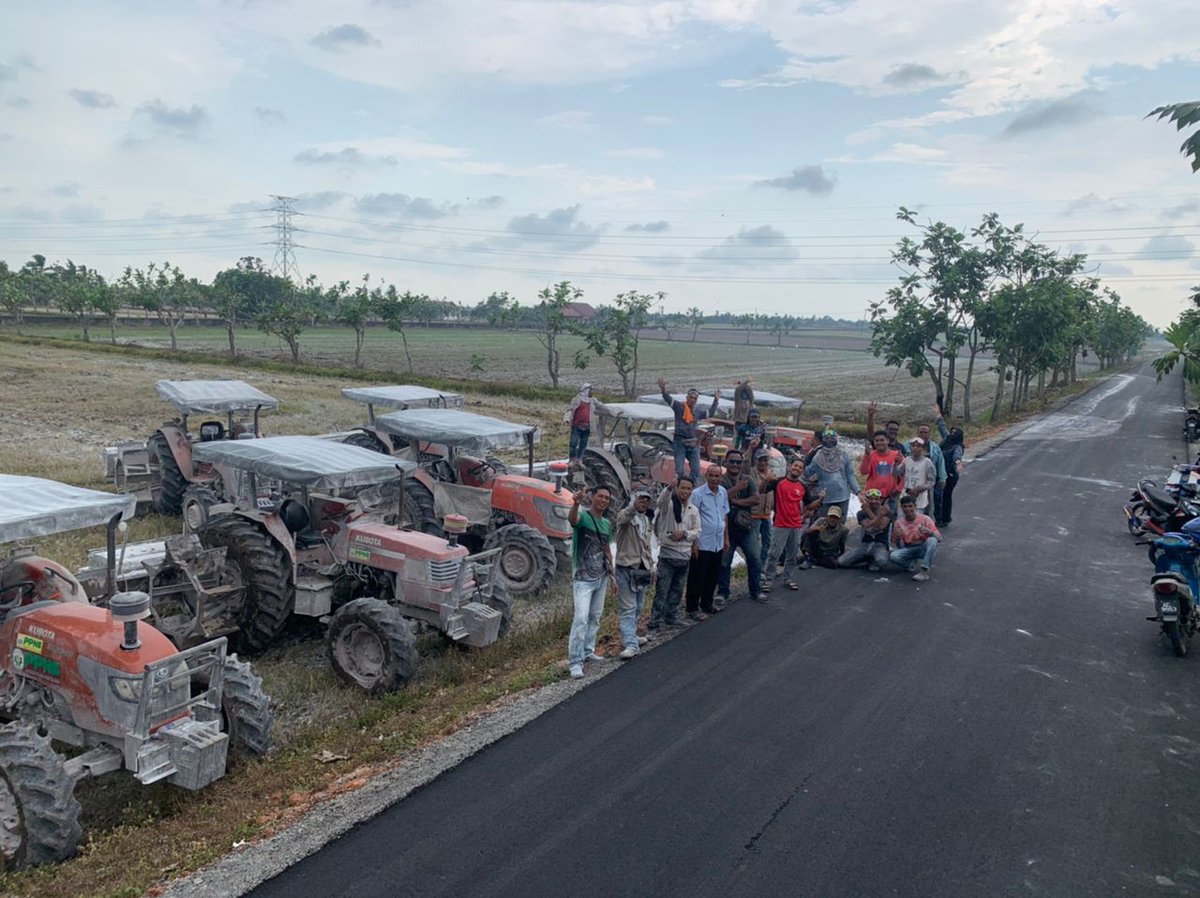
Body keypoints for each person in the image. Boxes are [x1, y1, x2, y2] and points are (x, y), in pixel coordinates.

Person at [567, 486, 615, 679]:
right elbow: (572, 520)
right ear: (593, 497)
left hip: (601, 576)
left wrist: (612, 575)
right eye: (600, 496)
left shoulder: (606, 524)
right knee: (580, 619)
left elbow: (607, 549)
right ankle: (575, 662)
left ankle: (588, 650)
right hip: (583, 579)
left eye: (607, 498)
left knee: (595, 616)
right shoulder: (584, 517)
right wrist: (575, 503)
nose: (603, 500)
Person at [758, 458, 822, 601]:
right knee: (774, 553)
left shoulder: (802, 486)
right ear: (790, 467)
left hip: (796, 525)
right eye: (795, 466)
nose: (797, 469)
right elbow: (761, 490)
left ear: (802, 471)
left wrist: (821, 499)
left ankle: (787, 579)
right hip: (780, 524)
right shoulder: (778, 482)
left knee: (792, 555)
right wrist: (766, 480)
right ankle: (768, 580)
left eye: (800, 467)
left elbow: (810, 505)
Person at [651, 478, 701, 632]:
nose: (685, 491)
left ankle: (671, 617)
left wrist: (684, 534)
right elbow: (661, 502)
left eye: (689, 488)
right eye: (683, 488)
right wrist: (668, 488)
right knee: (662, 590)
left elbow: (697, 530)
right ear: (677, 488)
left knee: (677, 590)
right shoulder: (669, 505)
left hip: (684, 556)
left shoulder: (693, 509)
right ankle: (655, 622)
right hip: (667, 555)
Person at [716, 449, 762, 606]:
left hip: (746, 527)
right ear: (726, 463)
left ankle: (755, 590)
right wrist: (737, 489)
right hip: (727, 528)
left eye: (738, 462)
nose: (735, 465)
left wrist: (735, 502)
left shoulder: (748, 479)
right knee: (724, 562)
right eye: (732, 462)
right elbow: (720, 497)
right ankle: (723, 592)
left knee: (754, 558)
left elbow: (756, 499)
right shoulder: (721, 481)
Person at [612, 490, 654, 659]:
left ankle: (632, 636)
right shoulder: (625, 517)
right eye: (640, 500)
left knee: (638, 606)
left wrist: (651, 566)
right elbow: (623, 517)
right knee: (628, 608)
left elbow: (647, 546)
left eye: (646, 500)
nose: (643, 503)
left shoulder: (645, 520)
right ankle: (630, 644)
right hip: (626, 567)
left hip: (642, 568)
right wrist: (632, 507)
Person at [685, 464, 729, 620]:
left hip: (717, 542)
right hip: (702, 542)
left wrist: (726, 538)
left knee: (712, 575)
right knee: (697, 576)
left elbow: (724, 516)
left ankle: (707, 604)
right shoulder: (697, 494)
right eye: (711, 475)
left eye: (717, 476)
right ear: (706, 476)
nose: (714, 479)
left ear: (720, 477)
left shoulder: (723, 492)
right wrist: (694, 543)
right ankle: (692, 608)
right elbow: (692, 519)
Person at [657, 377, 720, 483]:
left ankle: (692, 489)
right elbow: (668, 398)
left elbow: (710, 413)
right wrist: (663, 389)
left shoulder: (697, 412)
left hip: (692, 444)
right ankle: (679, 489)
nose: (692, 399)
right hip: (680, 442)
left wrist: (716, 400)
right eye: (690, 397)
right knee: (680, 471)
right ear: (687, 397)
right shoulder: (679, 407)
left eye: (695, 398)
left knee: (696, 470)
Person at [803, 429, 859, 519]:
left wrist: (858, 491)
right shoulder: (818, 457)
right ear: (823, 440)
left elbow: (850, 474)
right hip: (825, 497)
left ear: (836, 439)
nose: (829, 440)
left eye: (832, 438)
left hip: (842, 495)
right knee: (822, 523)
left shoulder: (844, 455)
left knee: (840, 525)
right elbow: (807, 474)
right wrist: (800, 465)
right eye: (826, 438)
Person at [838, 488, 892, 572]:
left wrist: (870, 512)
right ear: (867, 500)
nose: (873, 501)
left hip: (880, 544)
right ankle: (866, 558)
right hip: (865, 544)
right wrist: (879, 516)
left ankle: (873, 559)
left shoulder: (887, 512)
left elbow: (881, 526)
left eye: (876, 499)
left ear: (881, 500)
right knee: (841, 562)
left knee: (881, 561)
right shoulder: (861, 513)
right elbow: (868, 526)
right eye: (870, 499)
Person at [905, 414, 947, 520]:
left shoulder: (935, 447)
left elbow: (940, 463)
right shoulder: (907, 445)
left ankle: (927, 524)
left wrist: (942, 478)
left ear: (929, 434)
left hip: (927, 482)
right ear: (917, 433)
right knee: (909, 505)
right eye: (921, 432)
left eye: (925, 432)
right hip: (911, 481)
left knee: (928, 505)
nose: (923, 434)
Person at [890, 495, 941, 582]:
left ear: (915, 506)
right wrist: (897, 536)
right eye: (905, 507)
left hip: (923, 547)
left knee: (932, 540)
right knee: (893, 556)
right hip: (908, 548)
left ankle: (924, 571)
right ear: (901, 508)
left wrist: (929, 532)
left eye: (910, 506)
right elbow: (893, 543)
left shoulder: (925, 519)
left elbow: (939, 538)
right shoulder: (899, 523)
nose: (908, 509)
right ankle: (910, 564)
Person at [563, 384, 610, 465]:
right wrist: (567, 419)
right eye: (591, 390)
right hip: (577, 426)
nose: (592, 392)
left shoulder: (592, 400)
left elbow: (602, 406)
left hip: (587, 427)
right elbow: (570, 410)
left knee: (583, 445)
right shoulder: (577, 399)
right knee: (573, 444)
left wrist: (615, 412)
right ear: (586, 390)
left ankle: (579, 459)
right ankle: (572, 459)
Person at [860, 431, 906, 513]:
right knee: (871, 519)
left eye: (882, 440)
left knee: (888, 520)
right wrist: (866, 456)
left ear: (887, 441)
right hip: (872, 495)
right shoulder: (871, 454)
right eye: (876, 441)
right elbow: (863, 471)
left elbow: (905, 474)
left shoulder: (896, 455)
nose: (879, 443)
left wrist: (898, 489)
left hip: (890, 495)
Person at [937, 410, 965, 527]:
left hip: (951, 473)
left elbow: (957, 456)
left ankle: (945, 519)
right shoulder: (946, 441)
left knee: (946, 495)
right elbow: (942, 429)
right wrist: (938, 416)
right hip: (941, 472)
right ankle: (939, 518)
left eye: (955, 433)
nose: (952, 434)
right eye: (952, 432)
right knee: (938, 496)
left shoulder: (957, 446)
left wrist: (958, 463)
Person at [801, 504, 848, 569]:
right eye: (831, 517)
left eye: (835, 518)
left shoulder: (843, 530)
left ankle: (814, 560)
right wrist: (816, 528)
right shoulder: (821, 521)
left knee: (834, 564)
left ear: (839, 519)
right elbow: (807, 531)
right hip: (818, 547)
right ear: (827, 516)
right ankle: (808, 556)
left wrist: (841, 555)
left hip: (829, 552)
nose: (832, 519)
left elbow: (842, 544)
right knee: (809, 534)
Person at [753, 450, 776, 572]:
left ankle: (762, 566)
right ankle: (755, 566)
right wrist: (767, 480)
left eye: (765, 460)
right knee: (755, 542)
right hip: (754, 514)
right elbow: (757, 490)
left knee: (767, 541)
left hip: (767, 514)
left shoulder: (772, 474)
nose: (763, 462)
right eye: (760, 460)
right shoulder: (752, 473)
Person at [903, 437, 936, 513]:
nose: (915, 448)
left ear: (923, 448)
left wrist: (919, 489)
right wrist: (896, 463)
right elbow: (897, 473)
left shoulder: (927, 462)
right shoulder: (906, 460)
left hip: (920, 496)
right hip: (906, 493)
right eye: (913, 446)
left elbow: (931, 481)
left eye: (918, 446)